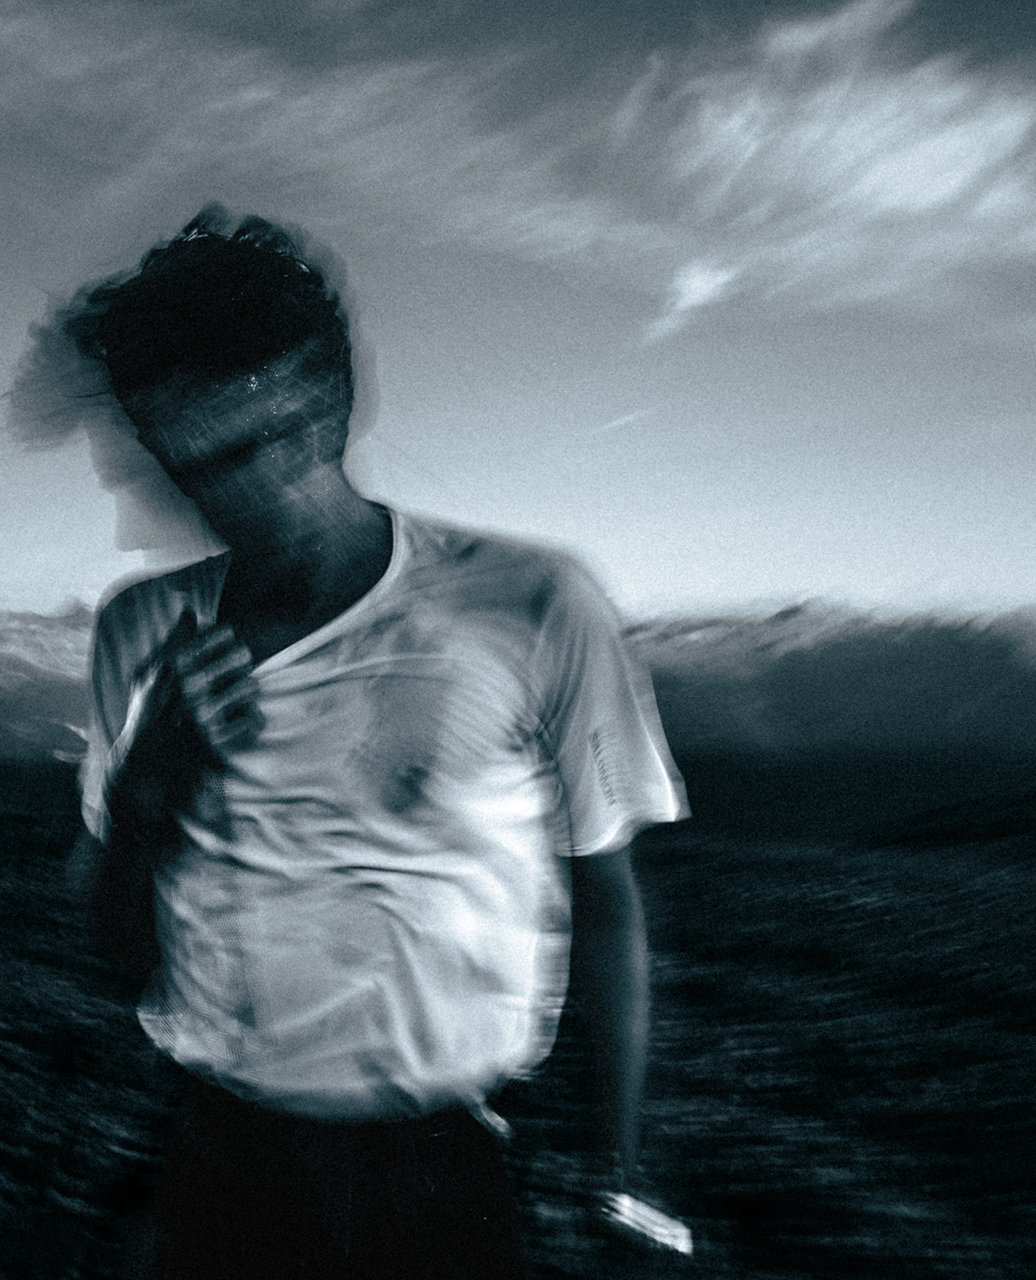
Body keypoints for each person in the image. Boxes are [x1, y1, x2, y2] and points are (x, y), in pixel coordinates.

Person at [57, 207, 689, 1279]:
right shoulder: (140, 630)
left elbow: (607, 894)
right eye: (162, 461)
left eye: (217, 458)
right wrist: (152, 787)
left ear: (320, 415)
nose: (172, 507)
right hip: (217, 1147)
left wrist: (617, 1164)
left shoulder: (533, 603)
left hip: (448, 1161)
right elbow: (117, 950)